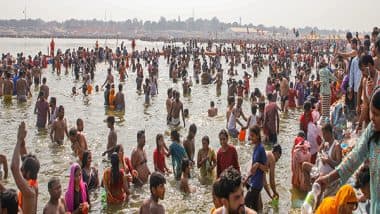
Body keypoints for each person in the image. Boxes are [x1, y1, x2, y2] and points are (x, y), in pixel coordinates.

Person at [316, 87, 380, 214]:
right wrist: (329, 178)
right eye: (372, 112)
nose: (372, 118)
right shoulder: (373, 130)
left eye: (377, 114)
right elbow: (354, 157)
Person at [11, 122, 40, 214]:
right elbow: (24, 155)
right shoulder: (33, 181)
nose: (20, 169)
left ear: (27, 173)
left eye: (22, 168)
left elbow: (14, 168)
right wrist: (22, 141)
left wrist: (19, 140)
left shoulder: (29, 191)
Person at [244, 125, 268, 212]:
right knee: (254, 207)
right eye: (250, 136)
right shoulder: (255, 148)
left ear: (258, 136)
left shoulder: (261, 149)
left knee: (245, 203)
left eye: (252, 136)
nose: (251, 138)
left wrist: (258, 164)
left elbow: (266, 168)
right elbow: (253, 168)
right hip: (253, 181)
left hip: (257, 184)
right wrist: (246, 178)